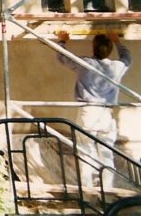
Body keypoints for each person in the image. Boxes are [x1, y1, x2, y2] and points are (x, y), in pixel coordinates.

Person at [55, 30, 132, 187]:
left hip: (88, 113)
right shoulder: (117, 67)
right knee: (107, 154)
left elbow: (62, 57)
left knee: (85, 152)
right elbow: (127, 59)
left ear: (93, 48)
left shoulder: (85, 64)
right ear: (109, 49)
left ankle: (87, 191)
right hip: (106, 114)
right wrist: (117, 42)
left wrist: (62, 41)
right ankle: (107, 190)